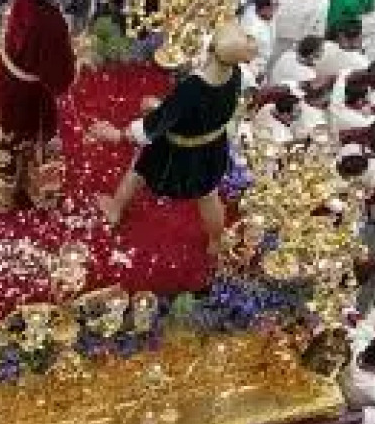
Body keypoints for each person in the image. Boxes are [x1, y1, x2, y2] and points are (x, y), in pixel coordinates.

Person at [92, 21, 259, 252]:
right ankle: (216, 241)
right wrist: (163, 106)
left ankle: (115, 208)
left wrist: (119, 135)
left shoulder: (192, 87)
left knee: (138, 168)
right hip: (211, 146)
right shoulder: (234, 73)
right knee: (209, 195)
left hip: (177, 149)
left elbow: (155, 125)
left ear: (211, 49)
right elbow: (203, 111)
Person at [0, 0, 77, 211]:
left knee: (6, 135)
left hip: (7, 74)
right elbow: (61, 79)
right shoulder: (52, 21)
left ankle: (0, 188)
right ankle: (36, 190)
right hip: (30, 91)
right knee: (30, 136)